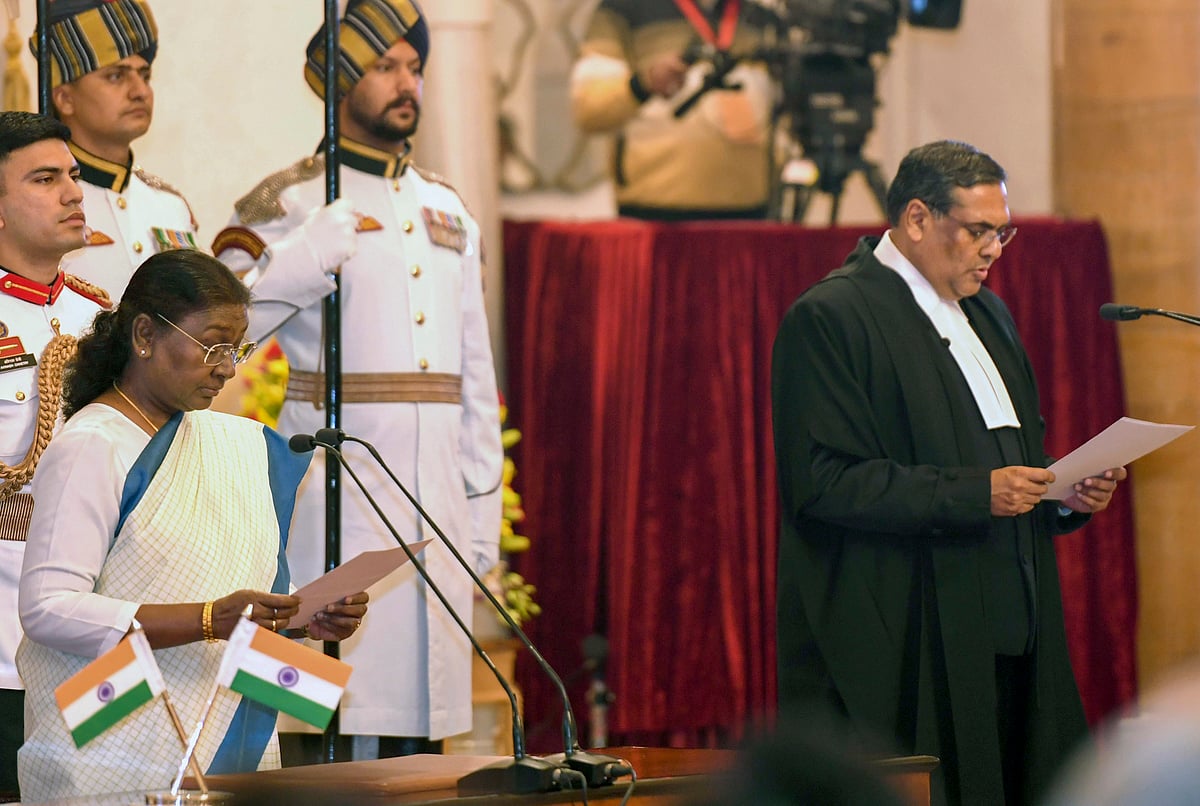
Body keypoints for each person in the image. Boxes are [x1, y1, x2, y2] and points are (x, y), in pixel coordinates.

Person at [771, 140, 1128, 806]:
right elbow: (821, 482)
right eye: (978, 231)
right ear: (915, 219)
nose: (995, 249)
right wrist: (976, 495)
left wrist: (1063, 492)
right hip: (914, 642)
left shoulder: (988, 315)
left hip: (1012, 640)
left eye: (1003, 231)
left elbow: (1006, 465)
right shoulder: (832, 317)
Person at [212, 0, 503, 761]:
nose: (405, 82)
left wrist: (482, 507)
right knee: (307, 713)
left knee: (417, 723)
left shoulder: (448, 212)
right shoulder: (287, 205)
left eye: (413, 66)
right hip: (328, 493)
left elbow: (475, 375)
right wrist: (304, 259)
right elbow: (223, 334)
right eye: (383, 66)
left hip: (432, 494)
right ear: (338, 80)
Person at [15, 250, 369, 801]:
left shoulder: (228, 446)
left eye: (238, 348)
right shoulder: (94, 444)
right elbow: (48, 608)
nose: (229, 367)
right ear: (144, 335)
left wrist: (300, 615)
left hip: (225, 729)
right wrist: (210, 618)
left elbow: (208, 584)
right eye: (214, 345)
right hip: (115, 727)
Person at [0, 110, 110, 800]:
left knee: (97, 788)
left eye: (73, 175)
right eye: (46, 179)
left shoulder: (105, 320)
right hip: (2, 636)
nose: (74, 192)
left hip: (98, 629)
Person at [31, 0, 199, 301]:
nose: (140, 91)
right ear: (65, 99)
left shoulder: (169, 205)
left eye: (144, 75)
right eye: (116, 76)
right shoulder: (34, 203)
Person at [570, 0, 774, 220]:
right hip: (654, 217)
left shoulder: (762, 18)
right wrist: (642, 85)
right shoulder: (621, 9)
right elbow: (590, 110)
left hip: (751, 213)